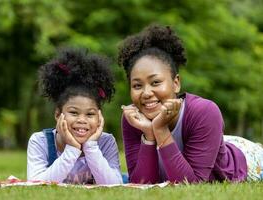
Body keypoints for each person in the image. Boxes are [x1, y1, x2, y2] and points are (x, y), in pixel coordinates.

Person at [118, 24, 263, 183]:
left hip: (246, 160)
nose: (146, 93)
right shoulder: (133, 119)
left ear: (176, 83)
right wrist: (149, 135)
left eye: (155, 82)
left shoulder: (204, 111)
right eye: (137, 86)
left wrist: (160, 129)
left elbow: (191, 184)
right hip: (213, 142)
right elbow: (140, 184)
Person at [27, 48, 123, 184]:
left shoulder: (106, 142)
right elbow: (36, 184)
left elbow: (115, 185)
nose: (82, 120)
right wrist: (72, 149)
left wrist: (90, 147)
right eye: (74, 112)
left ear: (99, 118)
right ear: (58, 114)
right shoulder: (40, 141)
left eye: (90, 114)